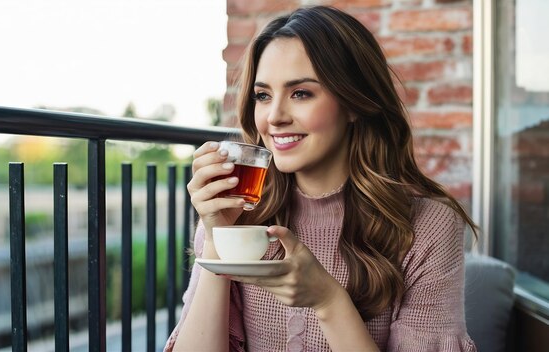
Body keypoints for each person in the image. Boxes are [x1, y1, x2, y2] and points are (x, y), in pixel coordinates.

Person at [166, 5, 478, 352]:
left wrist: (329, 301)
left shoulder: (428, 226)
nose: (274, 117)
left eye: (301, 93)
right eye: (263, 95)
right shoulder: (239, 209)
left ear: (354, 103)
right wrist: (216, 239)